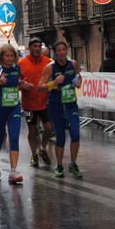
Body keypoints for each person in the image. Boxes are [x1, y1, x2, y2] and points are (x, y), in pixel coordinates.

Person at [38, 41, 83, 179]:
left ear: (67, 50)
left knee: (75, 134)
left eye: (64, 49)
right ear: (55, 53)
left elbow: (78, 77)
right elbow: (40, 86)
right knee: (60, 137)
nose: (62, 52)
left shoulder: (73, 64)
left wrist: (79, 82)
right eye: (59, 50)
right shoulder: (49, 68)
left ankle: (73, 164)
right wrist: (54, 83)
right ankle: (59, 166)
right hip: (56, 105)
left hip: (71, 104)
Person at [0, 44, 28, 184]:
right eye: (7, 56)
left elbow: (14, 85)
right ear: (1, 56)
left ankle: (13, 172)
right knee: (0, 136)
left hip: (14, 106)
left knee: (14, 136)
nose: (10, 58)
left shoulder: (16, 68)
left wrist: (21, 83)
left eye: (12, 56)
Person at [17, 36, 53, 167]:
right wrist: (23, 86)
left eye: (39, 46)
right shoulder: (21, 63)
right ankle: (34, 154)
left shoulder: (48, 62)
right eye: (34, 46)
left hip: (45, 101)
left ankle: (42, 148)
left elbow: (55, 76)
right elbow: (15, 82)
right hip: (29, 103)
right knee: (32, 131)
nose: (37, 49)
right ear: (29, 48)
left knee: (49, 128)